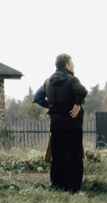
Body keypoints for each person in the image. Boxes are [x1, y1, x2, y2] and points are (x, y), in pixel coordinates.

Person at [32, 53, 87, 191]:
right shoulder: (72, 80)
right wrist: (77, 104)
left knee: (57, 155)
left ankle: (57, 186)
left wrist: (51, 106)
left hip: (55, 124)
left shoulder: (48, 81)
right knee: (73, 155)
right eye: (72, 63)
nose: (73, 66)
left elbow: (37, 98)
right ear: (67, 65)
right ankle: (73, 188)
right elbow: (82, 91)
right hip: (72, 124)